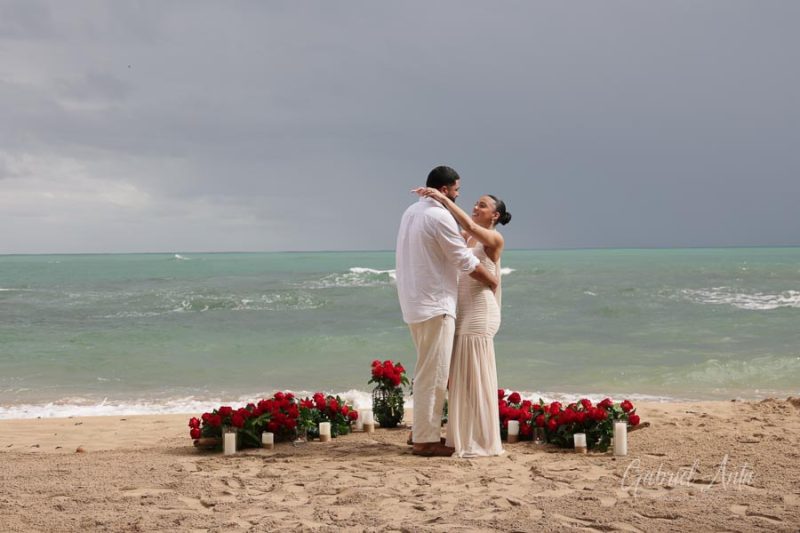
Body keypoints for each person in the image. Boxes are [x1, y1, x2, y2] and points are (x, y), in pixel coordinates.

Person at [396, 165, 499, 457]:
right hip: (435, 304)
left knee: (427, 369)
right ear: (445, 190)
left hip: (414, 302)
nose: (457, 196)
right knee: (435, 373)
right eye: (456, 191)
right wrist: (492, 281)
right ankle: (425, 440)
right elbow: (462, 259)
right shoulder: (439, 216)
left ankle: (421, 432)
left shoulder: (410, 212)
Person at [413, 186, 511, 457]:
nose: (475, 207)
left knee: (476, 375)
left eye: (482, 205)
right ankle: (461, 434)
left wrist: (443, 200)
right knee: (458, 378)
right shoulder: (464, 238)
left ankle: (480, 437)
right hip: (461, 312)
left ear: (495, 215)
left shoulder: (494, 238)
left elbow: (467, 223)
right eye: (476, 203)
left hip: (480, 313)